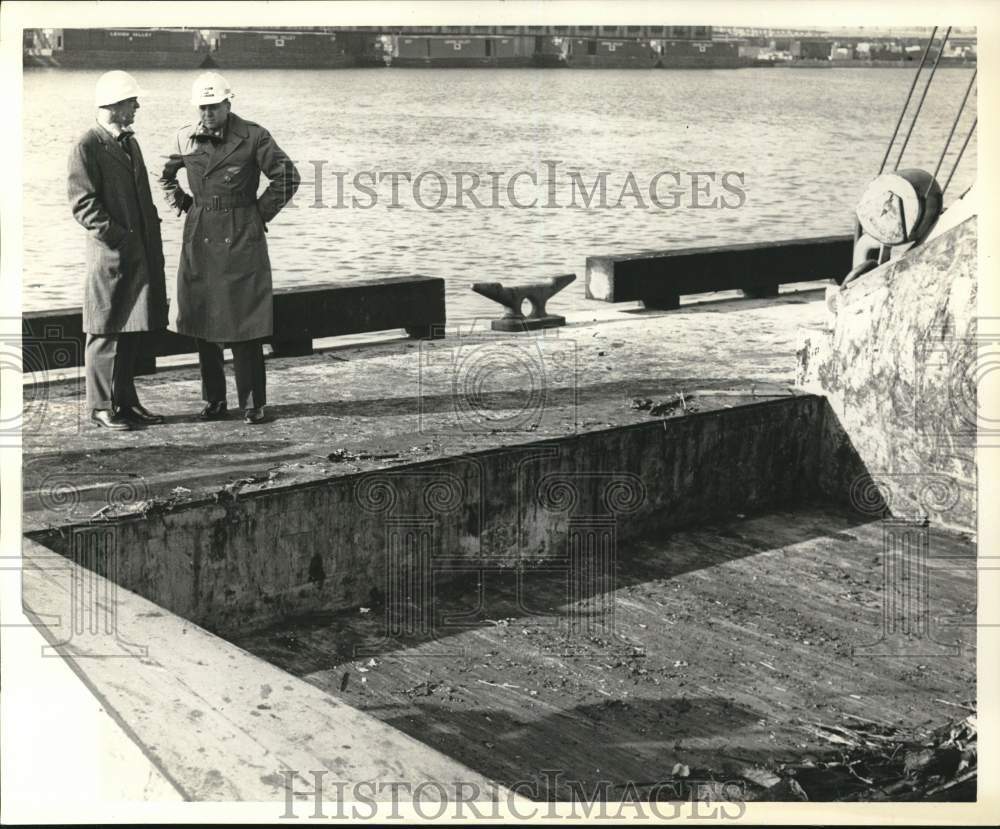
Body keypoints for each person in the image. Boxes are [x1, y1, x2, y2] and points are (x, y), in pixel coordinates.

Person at [159, 72, 300, 425]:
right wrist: (183, 203)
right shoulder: (183, 137)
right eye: (202, 107)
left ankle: (254, 403)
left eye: (214, 106)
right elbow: (163, 175)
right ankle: (214, 400)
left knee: (244, 321)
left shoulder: (253, 136)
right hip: (200, 233)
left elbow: (288, 176)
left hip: (241, 236)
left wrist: (258, 214)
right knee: (202, 318)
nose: (207, 113)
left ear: (228, 104)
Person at [67, 70, 168, 430]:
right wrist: (119, 238)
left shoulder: (129, 143)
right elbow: (83, 205)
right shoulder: (87, 146)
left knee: (131, 331)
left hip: (137, 256)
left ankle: (125, 402)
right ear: (112, 106)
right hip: (111, 257)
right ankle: (100, 407)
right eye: (131, 102)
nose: (137, 107)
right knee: (105, 330)